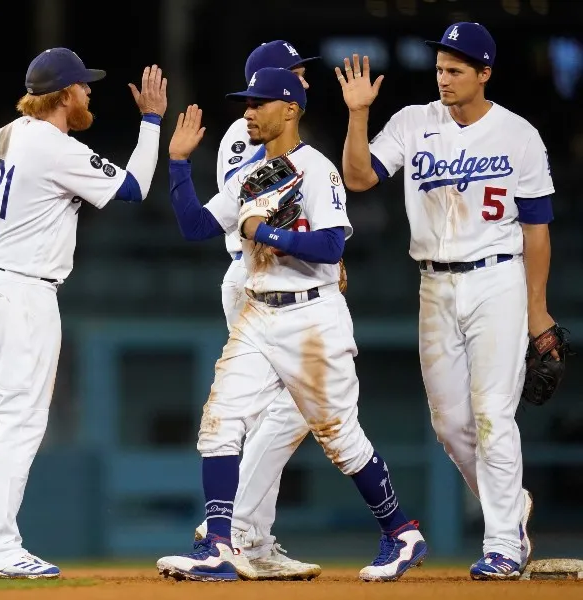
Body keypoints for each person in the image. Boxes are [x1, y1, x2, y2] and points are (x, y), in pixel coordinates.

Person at [156, 67, 426, 583]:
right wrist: (178, 163)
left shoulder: (318, 169)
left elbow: (332, 245)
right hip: (259, 312)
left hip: (312, 316)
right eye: (247, 103)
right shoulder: (252, 175)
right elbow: (195, 226)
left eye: (258, 103)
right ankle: (219, 545)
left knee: (340, 438)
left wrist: (269, 234)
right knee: (219, 424)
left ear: (289, 109)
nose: (248, 111)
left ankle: (402, 531)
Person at [336, 22, 546, 580]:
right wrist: (358, 115)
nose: (444, 78)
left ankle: (502, 542)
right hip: (434, 283)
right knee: (451, 425)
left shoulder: (519, 135)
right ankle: (512, 508)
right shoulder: (414, 121)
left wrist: (538, 308)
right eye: (439, 69)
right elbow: (358, 178)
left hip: (498, 279)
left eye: (455, 70)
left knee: (493, 414)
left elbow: (537, 230)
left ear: (484, 73)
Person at [0, 48, 167, 579]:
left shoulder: (4, 135)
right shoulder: (54, 145)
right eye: (83, 85)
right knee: (21, 422)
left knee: (13, 420)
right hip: (22, 291)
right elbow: (134, 187)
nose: (89, 92)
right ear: (63, 94)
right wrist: (151, 121)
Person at [192, 40, 324, 581]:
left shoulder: (265, 134)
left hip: (266, 274)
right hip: (256, 277)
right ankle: (239, 527)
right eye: (296, 73)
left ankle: (253, 536)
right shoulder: (248, 133)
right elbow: (254, 203)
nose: (304, 81)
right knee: (293, 407)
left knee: (284, 410)